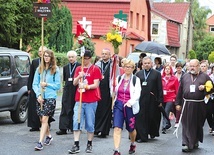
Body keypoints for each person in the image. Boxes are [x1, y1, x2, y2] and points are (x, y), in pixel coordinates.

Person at [175, 59, 213, 152]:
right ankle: (187, 143)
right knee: (186, 124)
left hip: (199, 104)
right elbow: (180, 91)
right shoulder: (185, 76)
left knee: (197, 124)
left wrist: (204, 88)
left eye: (194, 66)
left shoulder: (205, 77)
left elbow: (212, 89)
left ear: (198, 66)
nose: (192, 67)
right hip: (186, 103)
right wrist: (177, 103)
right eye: (190, 66)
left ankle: (195, 140)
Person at [68, 50, 102, 154]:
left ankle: (89, 143)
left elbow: (96, 84)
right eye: (83, 58)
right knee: (76, 121)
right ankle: (76, 144)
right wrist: (79, 76)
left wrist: (86, 86)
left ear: (90, 58)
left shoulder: (95, 69)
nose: (84, 61)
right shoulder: (78, 68)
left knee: (90, 123)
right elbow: (74, 83)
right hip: (79, 99)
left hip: (91, 100)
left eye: (86, 59)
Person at [33, 49, 61, 150]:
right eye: (44, 56)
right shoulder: (39, 69)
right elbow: (35, 84)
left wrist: (47, 84)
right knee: (42, 119)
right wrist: (38, 95)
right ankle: (49, 136)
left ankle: (40, 142)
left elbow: (58, 86)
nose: (46, 57)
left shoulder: (55, 69)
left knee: (45, 119)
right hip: (41, 97)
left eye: (48, 56)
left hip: (50, 97)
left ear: (51, 57)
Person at [112, 59, 141, 155]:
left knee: (131, 129)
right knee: (117, 127)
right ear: (123, 68)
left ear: (133, 68)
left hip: (130, 106)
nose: (127, 68)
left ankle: (133, 143)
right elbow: (114, 90)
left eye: (130, 67)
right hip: (119, 105)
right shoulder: (119, 78)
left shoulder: (135, 80)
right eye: (126, 67)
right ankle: (117, 150)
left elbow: (137, 93)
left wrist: (130, 102)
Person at [135, 56, 163, 142]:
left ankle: (152, 132)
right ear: (142, 64)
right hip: (141, 99)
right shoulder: (138, 74)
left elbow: (159, 88)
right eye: (145, 63)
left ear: (151, 64)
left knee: (151, 117)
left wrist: (160, 100)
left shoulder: (156, 74)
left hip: (152, 99)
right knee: (141, 117)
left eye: (148, 63)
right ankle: (142, 136)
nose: (147, 65)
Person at [56, 50, 80, 135]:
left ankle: (73, 127)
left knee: (75, 108)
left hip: (76, 89)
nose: (71, 58)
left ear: (76, 57)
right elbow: (65, 79)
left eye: (72, 57)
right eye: (69, 57)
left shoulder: (79, 66)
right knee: (65, 107)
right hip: (67, 89)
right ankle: (63, 128)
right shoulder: (66, 67)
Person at [27, 46, 47, 132]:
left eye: (42, 51)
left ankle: (45, 123)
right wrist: (29, 87)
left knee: (44, 106)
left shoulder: (48, 62)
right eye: (39, 51)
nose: (40, 53)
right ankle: (34, 125)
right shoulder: (35, 62)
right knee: (34, 106)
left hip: (45, 87)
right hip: (35, 87)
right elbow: (31, 75)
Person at [95, 48, 112, 137]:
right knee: (98, 109)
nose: (104, 55)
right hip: (98, 89)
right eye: (102, 53)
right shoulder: (97, 64)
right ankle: (96, 129)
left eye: (106, 54)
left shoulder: (113, 65)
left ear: (109, 55)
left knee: (106, 110)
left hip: (108, 90)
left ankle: (104, 131)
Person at [161, 64, 179, 134]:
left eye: (169, 69)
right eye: (166, 69)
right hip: (163, 97)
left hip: (171, 97)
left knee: (166, 111)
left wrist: (177, 99)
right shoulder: (161, 78)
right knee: (163, 112)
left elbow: (177, 89)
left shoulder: (174, 78)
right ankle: (168, 123)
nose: (167, 70)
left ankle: (163, 127)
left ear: (171, 70)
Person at [174, 62, 185, 128]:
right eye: (177, 68)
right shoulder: (174, 74)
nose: (179, 69)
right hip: (174, 93)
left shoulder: (184, 75)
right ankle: (177, 119)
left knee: (180, 106)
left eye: (180, 68)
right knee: (175, 107)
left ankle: (177, 121)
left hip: (181, 93)